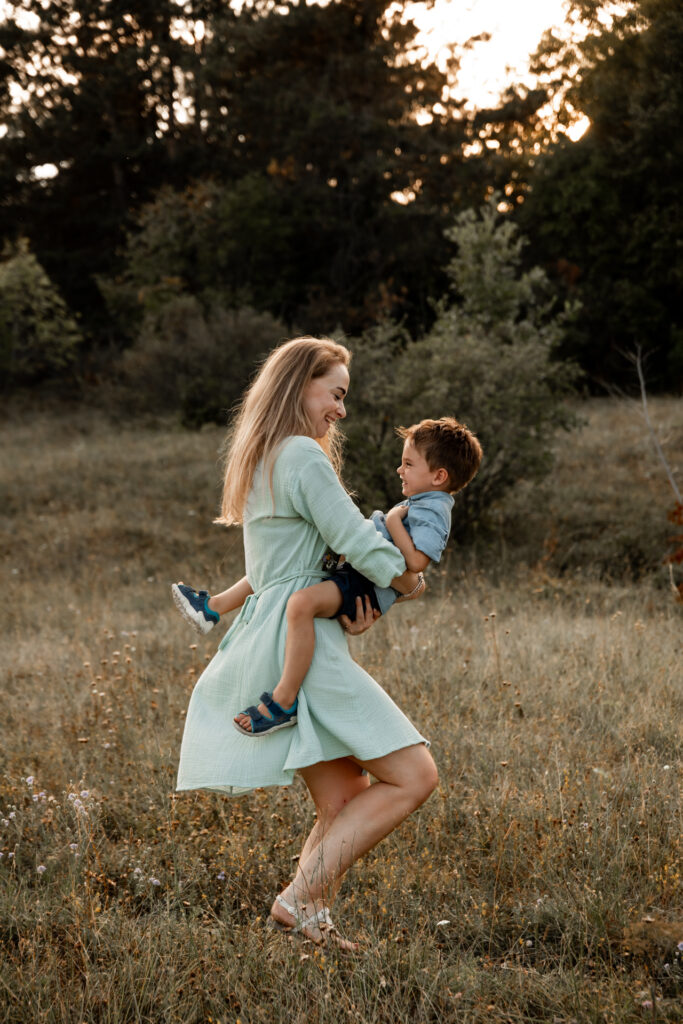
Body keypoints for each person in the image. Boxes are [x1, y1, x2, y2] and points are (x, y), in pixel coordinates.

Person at [175, 336, 439, 950]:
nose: (341, 410)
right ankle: (296, 901)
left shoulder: (267, 453)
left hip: (280, 632)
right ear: (302, 386)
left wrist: (352, 598)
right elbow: (353, 536)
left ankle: (312, 921)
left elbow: (303, 560)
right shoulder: (302, 455)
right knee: (415, 774)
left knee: (344, 796)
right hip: (304, 645)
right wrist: (406, 577)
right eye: (336, 394)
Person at [173, 417, 482, 738]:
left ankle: (284, 701)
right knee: (285, 564)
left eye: (408, 464)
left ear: (439, 476)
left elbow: (416, 563)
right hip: (360, 569)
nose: (399, 470)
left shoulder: (434, 510)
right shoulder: (424, 501)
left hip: (363, 584)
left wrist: (390, 520)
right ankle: (212, 608)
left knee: (301, 604)